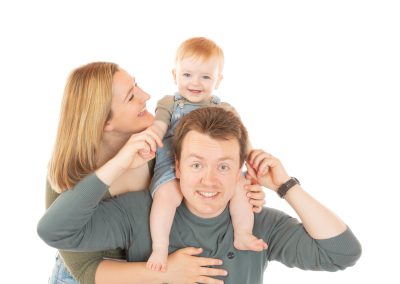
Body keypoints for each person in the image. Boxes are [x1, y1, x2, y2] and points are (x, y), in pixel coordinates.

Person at [38, 107, 362, 284]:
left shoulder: (256, 223)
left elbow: (343, 253)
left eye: (223, 166)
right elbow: (56, 232)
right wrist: (122, 159)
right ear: (176, 165)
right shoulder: (142, 212)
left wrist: (286, 187)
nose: (209, 180)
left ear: (240, 171)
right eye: (196, 164)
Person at [43, 62, 266, 284]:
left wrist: (243, 194)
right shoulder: (67, 172)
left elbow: (199, 188)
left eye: (136, 85)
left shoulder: (159, 142)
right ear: (105, 121)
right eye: (131, 97)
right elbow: (85, 270)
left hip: (149, 267)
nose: (146, 95)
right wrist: (166, 272)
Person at [144, 37, 266, 272]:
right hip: (171, 164)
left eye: (205, 77)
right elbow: (159, 124)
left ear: (218, 80)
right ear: (174, 75)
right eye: (187, 75)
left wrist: (252, 156)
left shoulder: (224, 109)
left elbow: (242, 137)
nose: (195, 83)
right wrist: (152, 136)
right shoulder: (169, 103)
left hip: (214, 166)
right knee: (166, 197)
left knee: (240, 188)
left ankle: (243, 233)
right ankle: (160, 247)